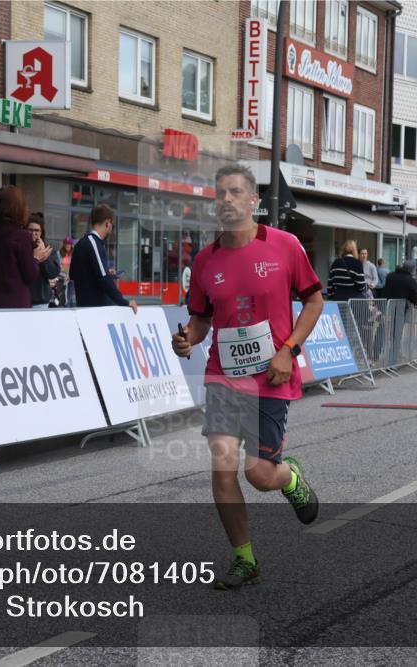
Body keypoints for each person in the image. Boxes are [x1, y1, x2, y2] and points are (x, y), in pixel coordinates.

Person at [171, 164, 324, 591]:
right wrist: (187, 339)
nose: (226, 199)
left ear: (254, 201)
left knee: (260, 475)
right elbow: (201, 320)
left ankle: (288, 477)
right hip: (223, 375)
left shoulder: (285, 245)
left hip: (272, 375)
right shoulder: (206, 259)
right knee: (222, 469)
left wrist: (288, 350)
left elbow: (314, 302)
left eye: (235, 192)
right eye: (219, 193)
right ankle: (244, 559)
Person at [0, 186, 51, 309]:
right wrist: (36, 258)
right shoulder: (21, 236)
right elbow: (29, 275)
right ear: (19, 208)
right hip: (14, 305)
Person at [70, 204, 137, 313]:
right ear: (107, 223)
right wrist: (124, 301)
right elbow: (103, 277)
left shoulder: (81, 243)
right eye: (112, 224)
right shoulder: (94, 243)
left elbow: (73, 273)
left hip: (84, 306)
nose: (112, 227)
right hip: (96, 308)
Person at [380, 260, 417, 365]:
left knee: (386, 332)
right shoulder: (410, 280)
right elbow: (414, 296)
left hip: (387, 307)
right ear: (411, 269)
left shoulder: (391, 276)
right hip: (400, 310)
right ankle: (393, 359)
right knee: (397, 334)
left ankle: (380, 355)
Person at [26, 212, 61, 308]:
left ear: (41, 232)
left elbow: (53, 273)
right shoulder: (22, 248)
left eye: (37, 230)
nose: (33, 233)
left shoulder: (48, 249)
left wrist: (44, 254)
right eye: (30, 230)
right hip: (24, 300)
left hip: (41, 302)